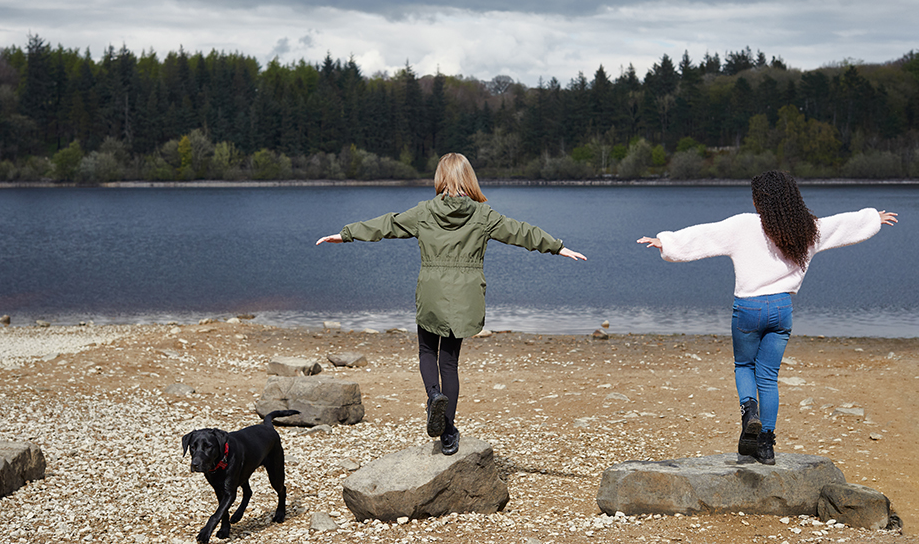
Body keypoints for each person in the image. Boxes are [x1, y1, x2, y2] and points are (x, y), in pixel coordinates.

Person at [316, 153, 586, 455]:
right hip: (465, 296)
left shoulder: (424, 212)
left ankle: (434, 396)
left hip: (431, 291)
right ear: (469, 179)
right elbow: (521, 232)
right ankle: (447, 433)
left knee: (427, 350)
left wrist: (346, 234)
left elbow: (387, 224)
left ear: (440, 179)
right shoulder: (484, 216)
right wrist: (557, 247)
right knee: (450, 362)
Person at [637, 170, 897, 465]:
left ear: (757, 200)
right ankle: (766, 446)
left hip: (748, 309)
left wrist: (665, 242)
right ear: (791, 198)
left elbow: (705, 235)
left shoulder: (745, 225)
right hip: (782, 310)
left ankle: (750, 413)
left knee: (744, 365)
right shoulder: (806, 229)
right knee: (769, 377)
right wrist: (872, 219)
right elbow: (839, 226)